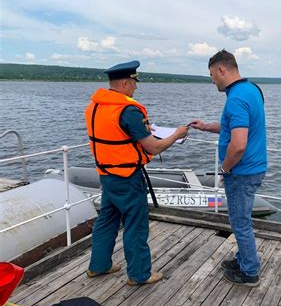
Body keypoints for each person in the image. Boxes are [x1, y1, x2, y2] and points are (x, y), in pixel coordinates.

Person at [84, 60, 188, 285]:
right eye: (133, 82)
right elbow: (154, 147)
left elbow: (114, 133)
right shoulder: (128, 110)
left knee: (107, 219)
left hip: (107, 174)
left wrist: (142, 130)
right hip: (128, 176)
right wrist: (177, 134)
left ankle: (98, 266)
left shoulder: (95, 106)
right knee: (136, 224)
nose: (135, 87)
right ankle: (140, 275)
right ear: (124, 83)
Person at [190, 50, 267, 287]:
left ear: (222, 69)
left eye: (212, 74)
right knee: (241, 220)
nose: (212, 79)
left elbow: (239, 144)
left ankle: (249, 272)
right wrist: (205, 127)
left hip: (242, 173)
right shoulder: (251, 89)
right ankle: (244, 258)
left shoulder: (235, 99)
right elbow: (233, 128)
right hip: (253, 168)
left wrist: (225, 168)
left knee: (239, 223)